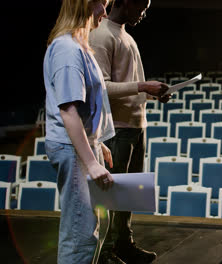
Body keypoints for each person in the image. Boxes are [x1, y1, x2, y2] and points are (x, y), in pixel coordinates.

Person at [89, 0, 170, 263]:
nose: (144, 12)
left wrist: (153, 94)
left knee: (128, 194)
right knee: (113, 195)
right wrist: (143, 86)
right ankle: (107, 250)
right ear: (125, 2)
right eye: (141, 6)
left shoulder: (126, 35)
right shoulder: (101, 35)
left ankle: (124, 243)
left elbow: (133, 87)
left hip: (136, 126)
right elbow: (102, 87)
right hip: (117, 130)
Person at [43, 0, 114, 263]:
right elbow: (68, 111)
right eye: (102, 4)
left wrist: (97, 143)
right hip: (72, 150)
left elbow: (82, 110)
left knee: (91, 229)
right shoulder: (67, 49)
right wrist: (91, 162)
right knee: (80, 237)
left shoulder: (78, 46)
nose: (105, 13)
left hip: (79, 145)